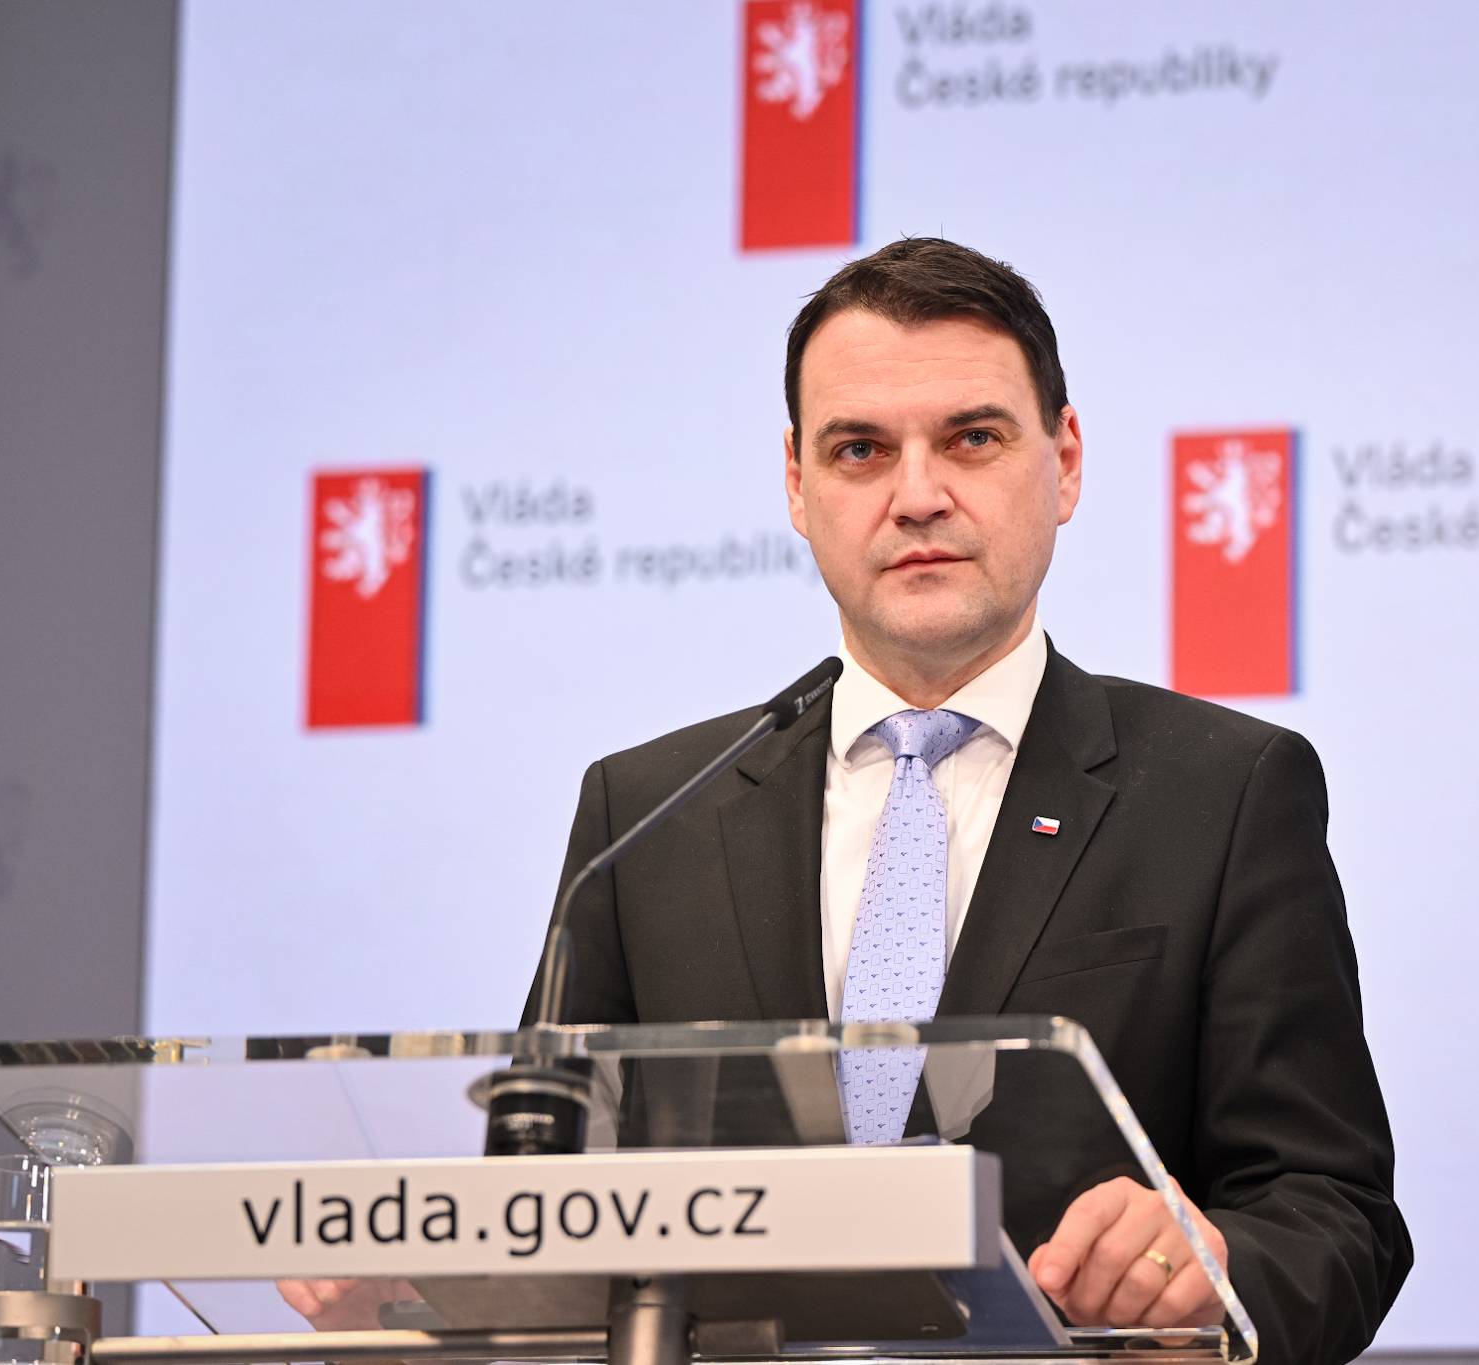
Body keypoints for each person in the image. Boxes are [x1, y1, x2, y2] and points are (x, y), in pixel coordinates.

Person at [285, 238, 1411, 1364]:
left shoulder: (1223, 791)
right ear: (797, 483)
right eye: (860, 450)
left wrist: (1210, 1271)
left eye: (972, 438)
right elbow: (543, 1214)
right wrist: (419, 1296)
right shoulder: (647, 816)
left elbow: (1332, 1214)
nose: (916, 497)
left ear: (1064, 462)